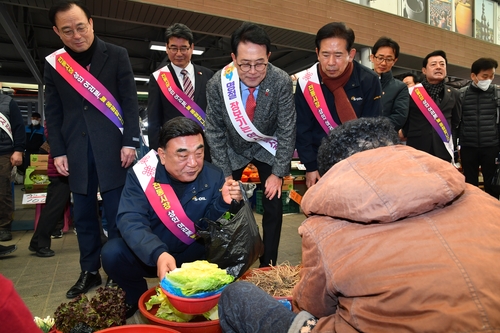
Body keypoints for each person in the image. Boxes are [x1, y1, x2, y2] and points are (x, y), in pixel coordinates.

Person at [218, 117, 500, 332]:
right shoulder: (481, 197)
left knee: (237, 296)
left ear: (335, 172)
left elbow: (311, 306)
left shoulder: (324, 226)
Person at [44, 0, 140, 298]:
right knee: (83, 216)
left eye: (81, 27)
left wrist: (130, 141)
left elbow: (129, 101)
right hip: (75, 152)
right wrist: (58, 151)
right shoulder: (55, 64)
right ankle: (89, 271)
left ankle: (117, 269)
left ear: (92, 23)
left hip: (114, 150)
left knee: (117, 215)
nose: (76, 35)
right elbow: (54, 110)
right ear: (57, 32)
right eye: (68, 30)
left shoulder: (117, 55)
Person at [101, 117, 242, 317]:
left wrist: (223, 204)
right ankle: (139, 297)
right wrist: (157, 253)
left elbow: (212, 226)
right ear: (162, 155)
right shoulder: (141, 175)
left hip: (194, 254)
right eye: (182, 156)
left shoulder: (214, 175)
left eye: (199, 153)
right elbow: (130, 220)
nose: (193, 163)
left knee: (233, 247)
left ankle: (204, 298)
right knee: (112, 253)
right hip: (153, 255)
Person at [205, 22, 296, 267]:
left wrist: (278, 173)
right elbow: (214, 130)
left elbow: (287, 127)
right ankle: (234, 262)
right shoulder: (218, 84)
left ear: (269, 56)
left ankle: (269, 264)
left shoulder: (280, 81)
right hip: (234, 149)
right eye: (245, 63)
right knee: (227, 201)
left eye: (260, 63)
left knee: (273, 204)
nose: (253, 71)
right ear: (233, 58)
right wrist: (224, 175)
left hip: (267, 147)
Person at [295, 22, 382, 188]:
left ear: (351, 54)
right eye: (325, 55)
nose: (331, 62)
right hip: (320, 163)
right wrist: (311, 167)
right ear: (317, 53)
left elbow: (374, 128)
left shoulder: (368, 80)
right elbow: (302, 128)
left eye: (338, 55)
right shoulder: (307, 83)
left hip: (359, 162)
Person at [147, 23, 214, 156]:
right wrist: (156, 151)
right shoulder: (158, 78)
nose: (179, 54)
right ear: (166, 48)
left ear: (192, 48)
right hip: (174, 150)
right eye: (173, 48)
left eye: (184, 48)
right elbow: (154, 121)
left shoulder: (208, 75)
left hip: (205, 149)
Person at [402, 50, 461, 162]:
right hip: (417, 148)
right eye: (433, 64)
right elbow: (406, 120)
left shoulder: (455, 94)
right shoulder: (411, 93)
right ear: (424, 70)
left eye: (442, 64)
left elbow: (455, 121)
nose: (438, 67)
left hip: (443, 148)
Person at [458, 57, 500, 198]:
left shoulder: (497, 93)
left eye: (492, 76)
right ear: (473, 76)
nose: (489, 79)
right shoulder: (461, 94)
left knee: (492, 184)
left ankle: (493, 214)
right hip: (468, 146)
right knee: (470, 184)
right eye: (484, 76)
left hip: (491, 146)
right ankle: (472, 213)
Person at [29, 123, 71, 257]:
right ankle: (39, 242)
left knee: (89, 203)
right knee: (54, 207)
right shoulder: (59, 109)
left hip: (76, 165)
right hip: (61, 168)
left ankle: (37, 241)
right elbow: (50, 133)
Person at [0, 84, 25, 242]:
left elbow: (18, 127)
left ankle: (3, 226)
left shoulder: (7, 102)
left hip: (3, 152)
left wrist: (18, 150)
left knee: (2, 191)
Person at [370, 36, 408, 131]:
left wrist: (374, 131)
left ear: (394, 61)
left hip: (385, 139)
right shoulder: (361, 82)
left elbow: (399, 117)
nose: (383, 63)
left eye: (388, 59)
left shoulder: (400, 88)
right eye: (380, 58)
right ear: (372, 57)